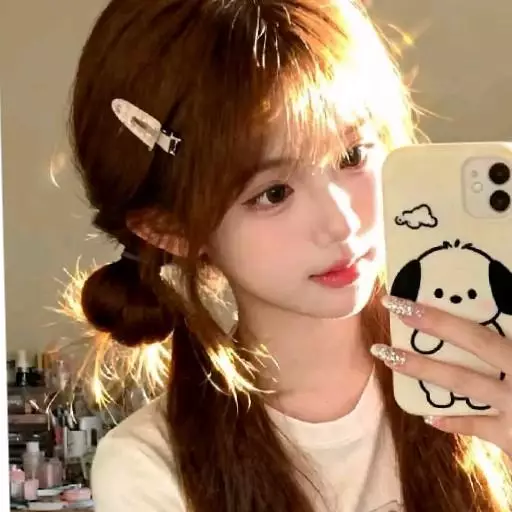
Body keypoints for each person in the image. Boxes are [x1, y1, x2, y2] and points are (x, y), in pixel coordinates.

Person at [67, 0, 512, 510]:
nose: (342, 222)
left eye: (352, 156)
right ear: (170, 229)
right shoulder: (150, 469)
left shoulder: (490, 390)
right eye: (273, 193)